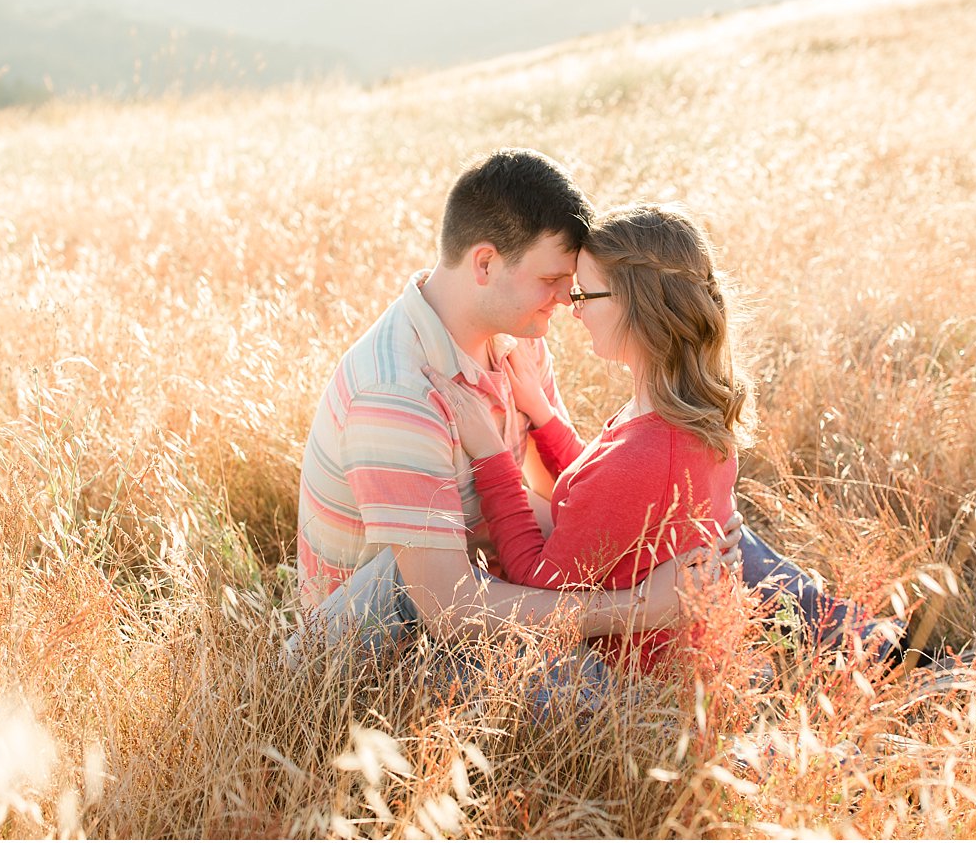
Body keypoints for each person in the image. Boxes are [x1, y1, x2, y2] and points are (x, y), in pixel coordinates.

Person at [293, 149, 724, 675]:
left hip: (500, 581)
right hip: (390, 643)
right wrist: (638, 606)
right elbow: (446, 608)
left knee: (700, 531)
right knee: (616, 704)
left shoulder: (519, 337)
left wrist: (683, 530)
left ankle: (840, 627)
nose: (568, 300)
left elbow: (564, 493)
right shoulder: (397, 394)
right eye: (551, 280)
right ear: (485, 263)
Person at [423, 202, 751, 673]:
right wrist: (540, 411)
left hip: (622, 689)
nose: (573, 314)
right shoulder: (678, 412)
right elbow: (600, 499)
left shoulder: (647, 453)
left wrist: (492, 459)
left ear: (638, 307)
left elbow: (537, 579)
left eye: (585, 297)